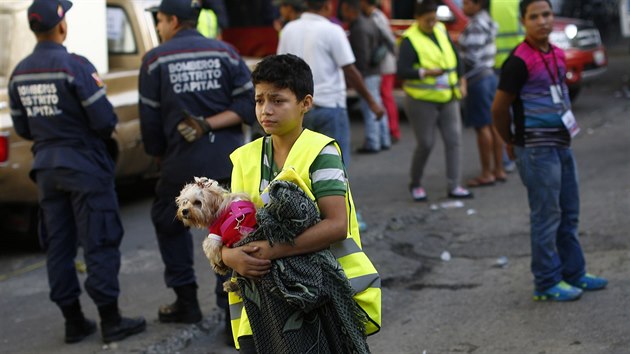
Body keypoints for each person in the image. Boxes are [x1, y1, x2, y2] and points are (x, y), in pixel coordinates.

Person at [222, 54, 381, 352]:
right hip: (260, 310)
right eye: (259, 101)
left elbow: (336, 226)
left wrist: (269, 251)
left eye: (278, 100)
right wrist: (230, 257)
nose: (265, 110)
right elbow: (229, 228)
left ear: (305, 103)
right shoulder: (245, 157)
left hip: (320, 301)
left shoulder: (321, 151)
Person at [8, 0, 146, 344]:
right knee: (98, 240)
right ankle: (110, 321)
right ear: (62, 26)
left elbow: (23, 127)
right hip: (84, 167)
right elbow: (104, 120)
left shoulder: (20, 73)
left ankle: (73, 322)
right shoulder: (75, 67)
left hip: (47, 171)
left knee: (58, 245)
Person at [138, 0, 255, 333]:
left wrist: (159, 155)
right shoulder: (226, 53)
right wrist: (212, 124)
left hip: (180, 164)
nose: (159, 27)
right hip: (228, 162)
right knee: (230, 232)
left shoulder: (155, 59)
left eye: (159, 21)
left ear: (173, 21)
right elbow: (247, 106)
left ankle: (186, 302)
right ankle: (231, 309)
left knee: (168, 221)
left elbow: (150, 121)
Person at [492, 0, 607, 302]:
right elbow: (499, 109)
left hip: (561, 146)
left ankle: (574, 272)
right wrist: (511, 140)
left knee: (569, 213)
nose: (542, 21)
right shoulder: (517, 61)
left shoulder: (557, 54)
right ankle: (545, 281)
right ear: (523, 22)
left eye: (546, 14)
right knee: (546, 216)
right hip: (535, 150)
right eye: (534, 16)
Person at [277, 0, 385, 164]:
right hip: (329, 107)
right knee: (335, 166)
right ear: (327, 7)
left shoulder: (288, 30)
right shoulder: (333, 31)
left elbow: (281, 67)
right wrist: (372, 102)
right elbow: (350, 70)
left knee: (302, 166)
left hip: (298, 108)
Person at [396, 0, 473, 201]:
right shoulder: (409, 39)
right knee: (426, 143)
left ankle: (454, 185)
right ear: (418, 18)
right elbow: (402, 71)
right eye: (427, 20)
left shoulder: (440, 29)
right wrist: (425, 72)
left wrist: (462, 81)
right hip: (421, 100)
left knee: (454, 140)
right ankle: (416, 183)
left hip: (448, 96)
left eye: (434, 18)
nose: (432, 23)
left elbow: (456, 58)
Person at [458, 0, 507, 187]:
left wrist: (456, 63)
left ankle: (487, 173)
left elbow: (471, 58)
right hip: (490, 75)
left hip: (478, 79)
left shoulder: (476, 25)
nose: (463, 6)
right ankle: (499, 169)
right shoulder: (487, 20)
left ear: (478, 5)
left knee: (483, 127)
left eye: (467, 3)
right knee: (494, 125)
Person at [341, 0, 391, 153]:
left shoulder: (359, 28)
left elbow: (362, 56)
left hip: (366, 73)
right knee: (377, 104)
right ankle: (384, 139)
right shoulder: (369, 22)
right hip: (375, 71)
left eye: (344, 9)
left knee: (370, 108)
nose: (342, 13)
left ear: (351, 10)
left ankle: (373, 142)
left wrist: (357, 78)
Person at [360, 0, 401, 143]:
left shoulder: (377, 17)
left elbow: (389, 39)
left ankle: (393, 130)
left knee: (386, 96)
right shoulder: (374, 15)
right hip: (383, 64)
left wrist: (395, 55)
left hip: (385, 64)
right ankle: (389, 132)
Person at [490, 0, 523, 174]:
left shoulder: (490, 4)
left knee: (500, 112)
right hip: (521, 62)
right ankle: (518, 153)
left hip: (496, 63)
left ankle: (506, 159)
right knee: (519, 109)